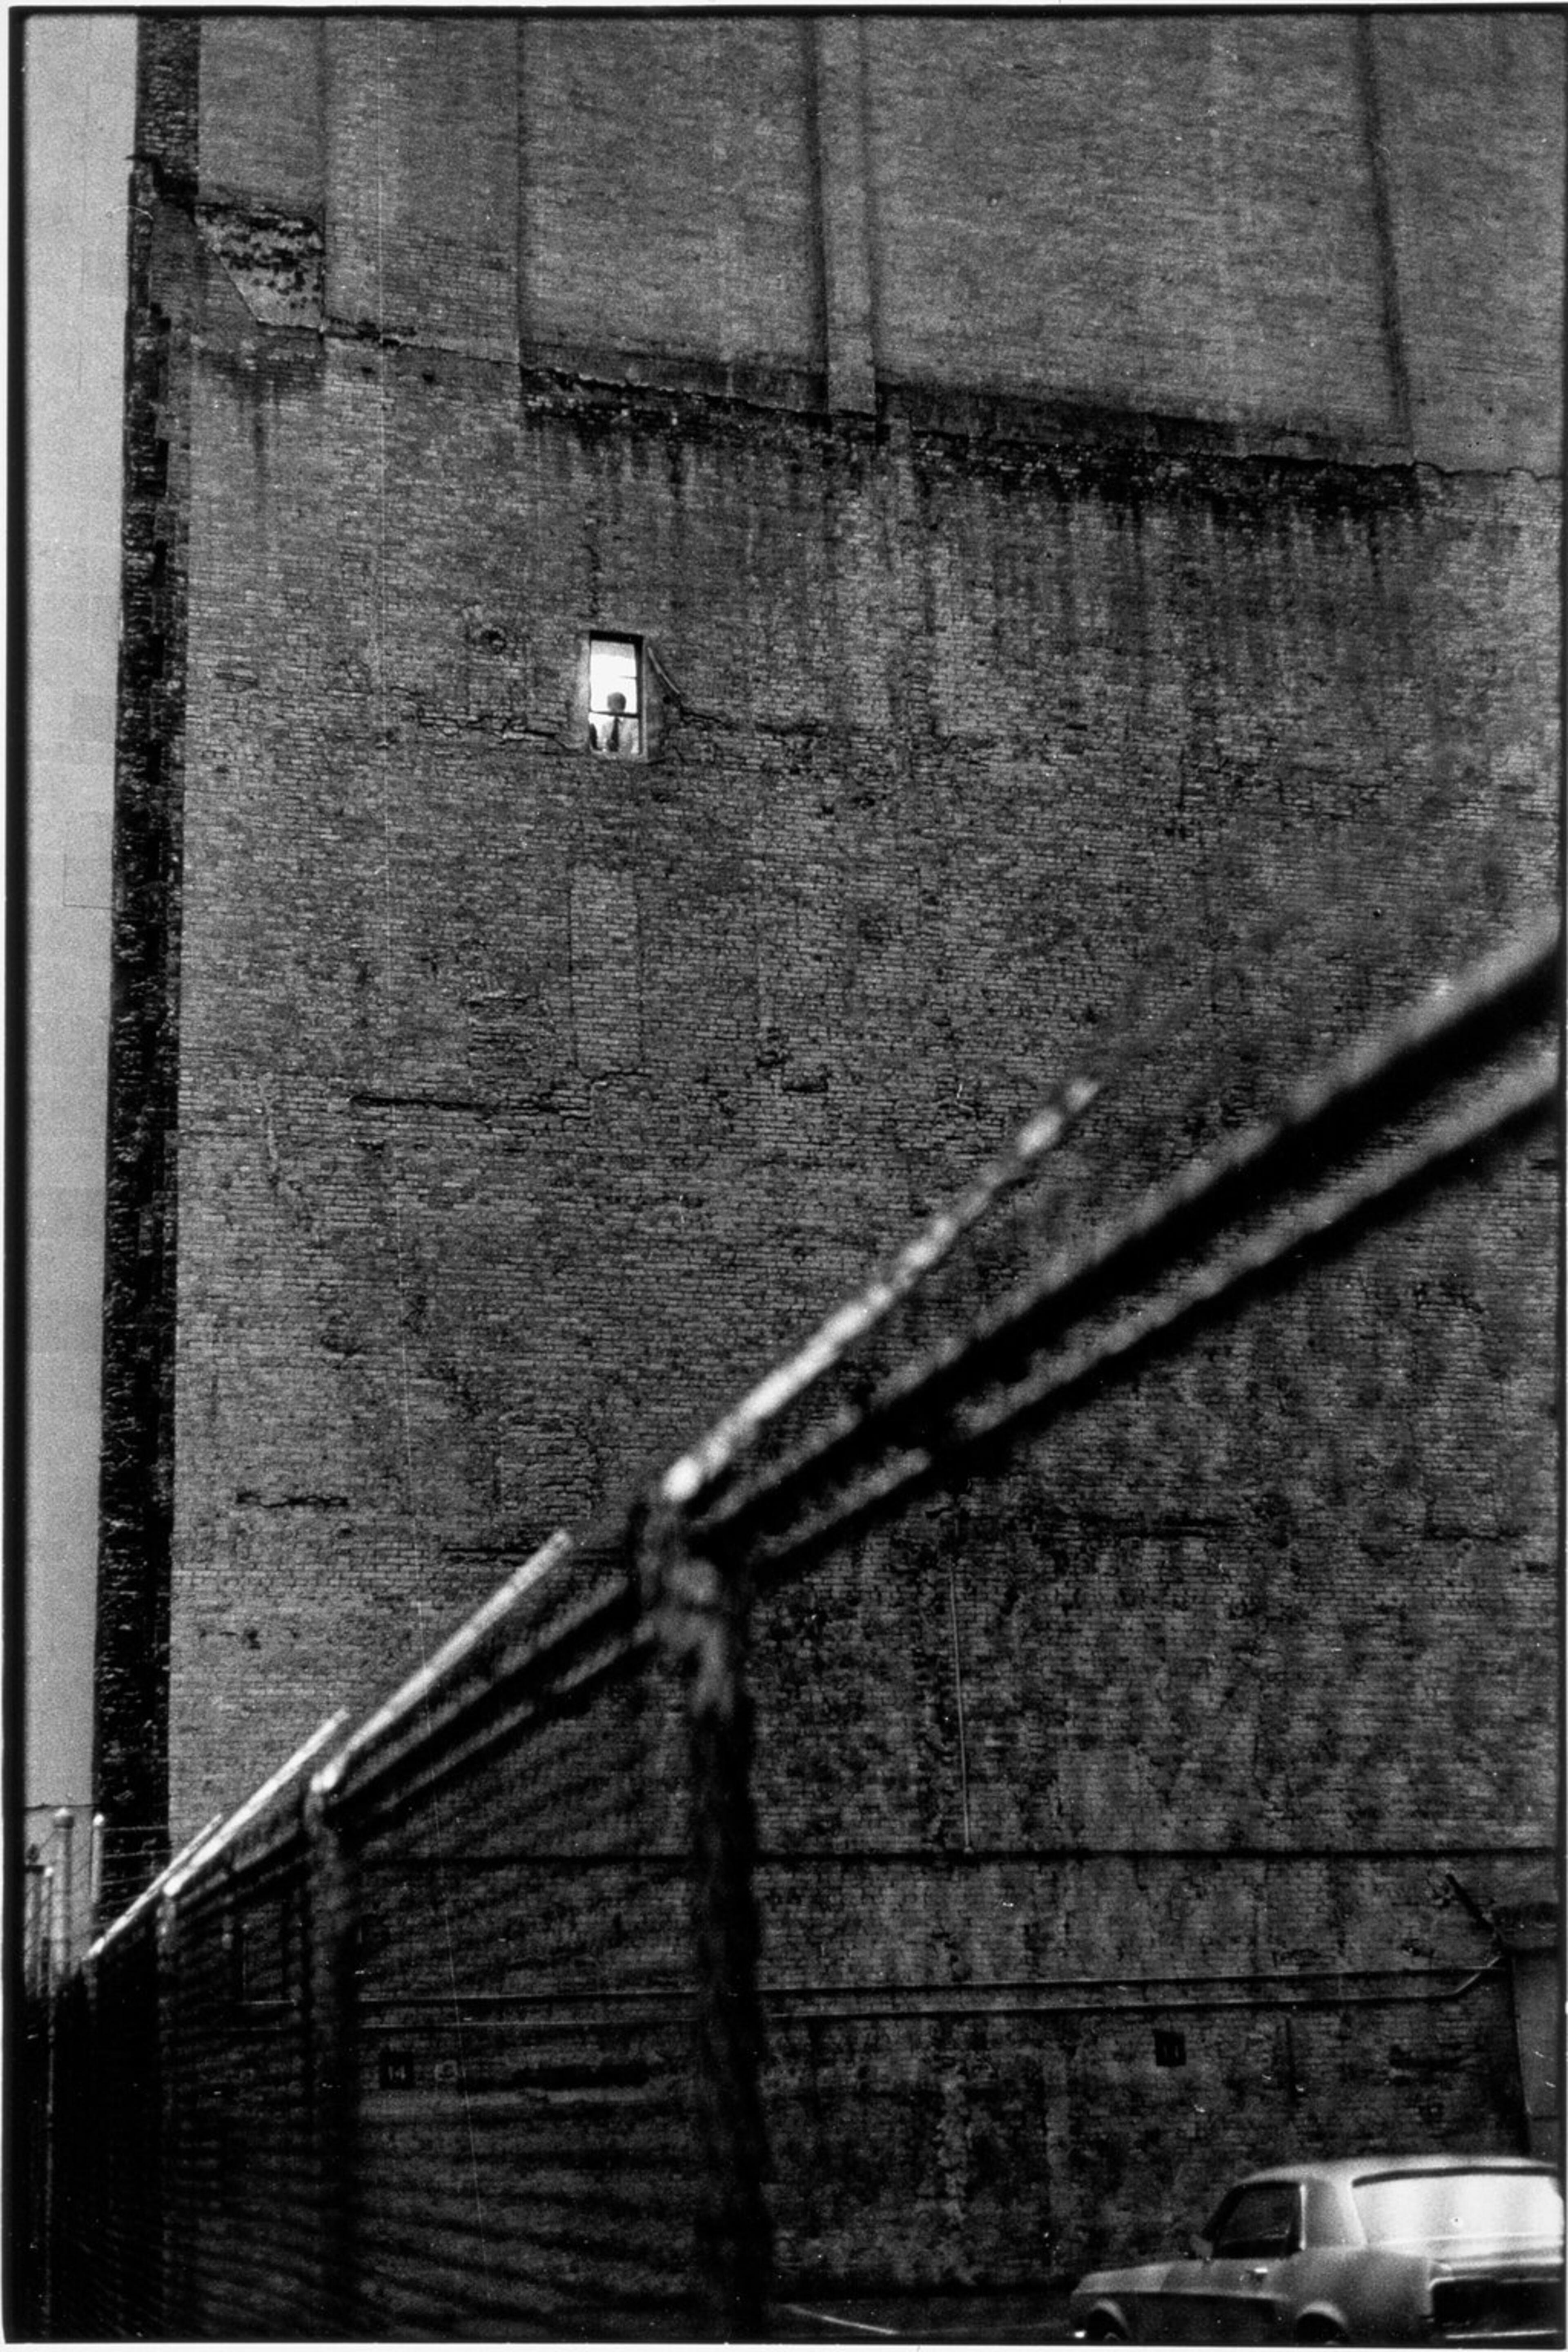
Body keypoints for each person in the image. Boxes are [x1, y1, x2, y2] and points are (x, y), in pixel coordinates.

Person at [592, 690, 639, 756]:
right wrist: (606, 743)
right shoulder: (606, 725)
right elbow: (599, 743)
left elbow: (637, 745)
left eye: (610, 703)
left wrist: (631, 760)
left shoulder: (634, 723)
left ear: (618, 704)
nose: (608, 706)